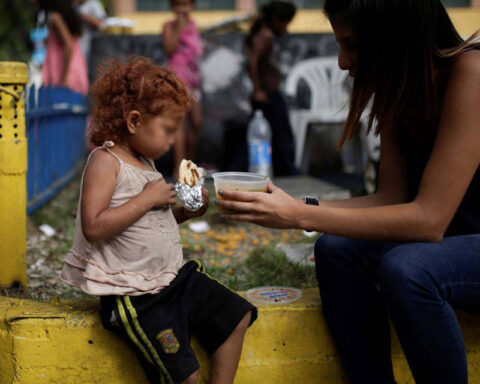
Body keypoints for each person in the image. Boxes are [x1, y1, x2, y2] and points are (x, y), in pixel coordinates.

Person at [217, 0, 480, 383]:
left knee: (407, 269)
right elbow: (391, 199)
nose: (342, 61)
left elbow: (428, 220)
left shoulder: (471, 73)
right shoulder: (401, 88)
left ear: (397, 38)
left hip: (459, 241)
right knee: (335, 248)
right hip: (455, 240)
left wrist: (300, 216)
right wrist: (295, 206)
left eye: (353, 44)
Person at [60, 57, 256, 384]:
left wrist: (183, 212)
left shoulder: (145, 160)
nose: (171, 141)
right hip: (135, 295)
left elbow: (144, 224)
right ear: (134, 121)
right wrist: (146, 199)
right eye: (168, 130)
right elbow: (94, 227)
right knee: (185, 376)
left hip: (173, 279)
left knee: (237, 315)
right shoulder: (105, 161)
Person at [245, 0, 297, 176]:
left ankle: (285, 170)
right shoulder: (265, 35)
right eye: (284, 22)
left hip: (270, 94)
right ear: (275, 19)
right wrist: (258, 90)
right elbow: (252, 62)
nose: (285, 27)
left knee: (277, 135)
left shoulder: (266, 34)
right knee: (280, 136)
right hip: (267, 95)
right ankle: (287, 171)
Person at [162, 0, 203, 178]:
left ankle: (190, 165)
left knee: (196, 122)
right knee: (179, 124)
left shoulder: (194, 27)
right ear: (172, 7)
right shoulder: (169, 26)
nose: (182, 9)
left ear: (192, 7)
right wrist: (178, 27)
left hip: (193, 82)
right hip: (177, 80)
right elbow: (169, 49)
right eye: (178, 5)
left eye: (185, 5)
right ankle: (179, 171)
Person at [36, 0, 89, 95]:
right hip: (75, 70)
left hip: (66, 76)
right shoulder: (59, 17)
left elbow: (69, 45)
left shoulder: (56, 18)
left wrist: (64, 79)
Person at [74, 0, 106, 65]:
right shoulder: (74, 5)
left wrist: (84, 17)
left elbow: (102, 24)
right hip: (78, 44)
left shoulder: (94, 4)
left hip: (92, 44)